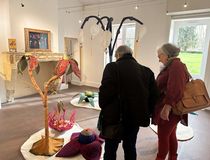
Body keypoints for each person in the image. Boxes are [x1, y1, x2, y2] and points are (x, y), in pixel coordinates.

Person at [99, 45, 159, 160]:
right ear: (131, 54)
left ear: (118, 55)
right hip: (134, 118)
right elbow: (154, 96)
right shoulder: (147, 71)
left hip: (114, 118)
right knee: (130, 147)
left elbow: (105, 92)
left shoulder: (112, 67)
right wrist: (147, 112)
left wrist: (104, 107)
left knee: (110, 149)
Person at [152, 43, 189, 160]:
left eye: (159, 56)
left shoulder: (176, 65)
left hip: (170, 109)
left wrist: (166, 108)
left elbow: (175, 88)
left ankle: (161, 158)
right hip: (172, 109)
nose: (158, 59)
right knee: (171, 135)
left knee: (163, 136)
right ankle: (173, 157)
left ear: (166, 54)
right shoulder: (173, 65)